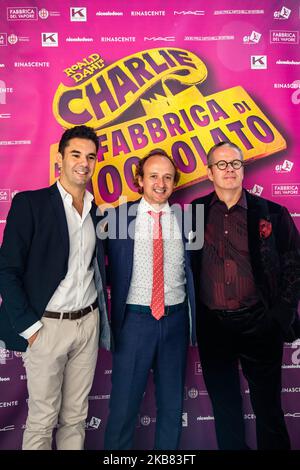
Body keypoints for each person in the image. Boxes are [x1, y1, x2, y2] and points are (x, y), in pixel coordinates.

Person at [0, 125, 110, 450]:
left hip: (87, 325)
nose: (84, 163)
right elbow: (7, 269)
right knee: (42, 418)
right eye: (76, 154)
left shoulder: (96, 212)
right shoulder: (30, 204)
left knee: (76, 417)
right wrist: (32, 329)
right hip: (46, 327)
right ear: (59, 158)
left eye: (91, 157)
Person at [191, 141, 300, 450]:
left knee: (268, 411)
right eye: (221, 165)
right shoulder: (193, 213)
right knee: (225, 412)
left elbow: (294, 266)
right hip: (213, 328)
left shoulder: (272, 214)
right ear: (209, 172)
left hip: (259, 324)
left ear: (243, 169)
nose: (229, 170)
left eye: (235, 164)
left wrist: (278, 319)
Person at [103, 149, 196, 450]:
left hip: (176, 321)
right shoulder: (118, 218)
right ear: (139, 180)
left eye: (167, 177)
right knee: (123, 408)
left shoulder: (188, 220)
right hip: (134, 322)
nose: (161, 183)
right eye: (153, 176)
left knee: (171, 408)